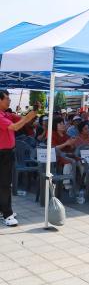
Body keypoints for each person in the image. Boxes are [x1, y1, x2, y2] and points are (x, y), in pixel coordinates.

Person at [0, 90, 38, 226]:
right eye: (6, 98)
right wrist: (28, 117)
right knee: (5, 184)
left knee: (4, 183)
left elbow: (23, 120)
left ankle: (3, 210)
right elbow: (15, 127)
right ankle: (7, 215)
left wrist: (34, 111)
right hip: (2, 153)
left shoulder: (6, 114)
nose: (9, 100)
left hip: (7, 153)